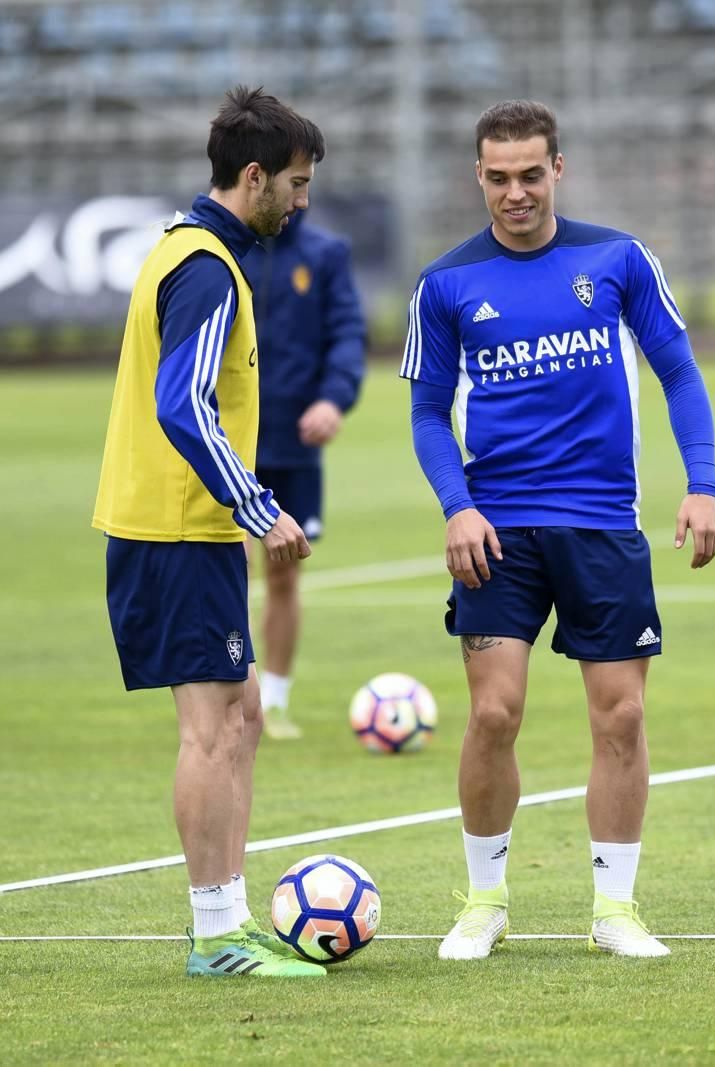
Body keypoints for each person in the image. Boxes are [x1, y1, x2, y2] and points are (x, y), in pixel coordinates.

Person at [400, 100, 715, 960]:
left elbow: (680, 374)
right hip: (496, 529)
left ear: (558, 170)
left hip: (602, 523)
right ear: (478, 175)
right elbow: (428, 412)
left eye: (530, 175)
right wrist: (456, 504)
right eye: (498, 177)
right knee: (494, 713)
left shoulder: (617, 259)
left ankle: (614, 910)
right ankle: (484, 900)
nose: (515, 193)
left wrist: (703, 485)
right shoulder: (445, 284)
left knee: (620, 717)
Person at [92, 87, 328, 979]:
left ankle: (229, 918)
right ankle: (217, 937)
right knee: (212, 730)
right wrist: (257, 505)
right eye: (296, 185)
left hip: (182, 529)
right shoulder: (202, 267)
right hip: (176, 530)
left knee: (244, 714)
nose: (301, 203)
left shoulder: (191, 250)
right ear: (255, 176)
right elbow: (181, 405)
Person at [244, 211, 366, 740]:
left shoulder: (325, 253)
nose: (300, 193)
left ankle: (273, 698)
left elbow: (346, 335)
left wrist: (333, 400)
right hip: (230, 442)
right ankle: (233, 695)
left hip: (295, 445)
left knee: (284, 571)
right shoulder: (225, 250)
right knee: (229, 565)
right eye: (294, 179)